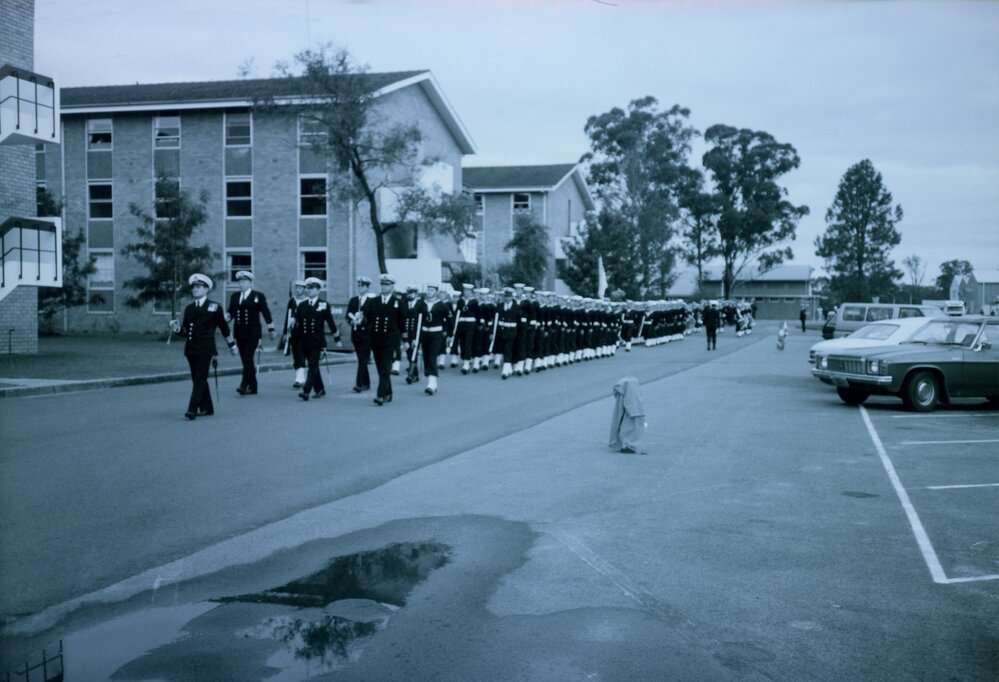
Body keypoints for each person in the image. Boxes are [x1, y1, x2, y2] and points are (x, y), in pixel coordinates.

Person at [170, 273, 237, 420]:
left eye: (199, 287)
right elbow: (186, 332)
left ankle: (192, 408)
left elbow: (224, 328)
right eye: (194, 287)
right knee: (197, 378)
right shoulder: (189, 308)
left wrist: (232, 345)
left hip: (206, 349)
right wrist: (177, 329)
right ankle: (207, 407)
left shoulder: (214, 307)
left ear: (206, 289)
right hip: (191, 349)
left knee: (200, 378)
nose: (195, 290)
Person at [226, 270, 275, 395]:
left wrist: (271, 329)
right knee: (246, 360)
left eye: (243, 282)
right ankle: (253, 387)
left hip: (253, 333)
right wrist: (225, 318)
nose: (241, 284)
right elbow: (231, 312)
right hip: (240, 332)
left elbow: (266, 313)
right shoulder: (235, 296)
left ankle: (244, 385)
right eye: (239, 282)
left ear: (250, 283)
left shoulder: (258, 296)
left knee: (248, 357)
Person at [293, 277, 342, 401]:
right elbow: (297, 325)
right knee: (313, 366)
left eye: (312, 288)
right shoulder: (302, 305)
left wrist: (337, 338)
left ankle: (306, 390)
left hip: (316, 341)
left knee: (313, 366)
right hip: (303, 340)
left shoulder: (323, 304)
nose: (309, 290)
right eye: (308, 288)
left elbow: (330, 322)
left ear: (318, 290)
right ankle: (320, 389)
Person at [361, 274, 406, 405]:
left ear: (392, 286)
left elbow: (402, 323)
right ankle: (388, 392)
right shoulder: (373, 301)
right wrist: (360, 318)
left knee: (386, 368)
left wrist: (406, 340)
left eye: (387, 285)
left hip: (390, 340)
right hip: (376, 340)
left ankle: (380, 395)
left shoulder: (398, 302)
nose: (384, 287)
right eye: (382, 284)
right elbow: (366, 318)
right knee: (381, 369)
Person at [346, 276, 373, 393]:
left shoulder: (371, 301)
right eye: (359, 285)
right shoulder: (353, 300)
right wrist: (352, 320)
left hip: (367, 334)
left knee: (363, 359)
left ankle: (359, 383)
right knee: (361, 358)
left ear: (367, 287)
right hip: (356, 334)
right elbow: (347, 315)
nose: (360, 288)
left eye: (362, 286)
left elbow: (373, 317)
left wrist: (364, 320)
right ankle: (366, 382)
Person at [609, 376, 647, 454]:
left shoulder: (625, 391)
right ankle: (629, 445)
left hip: (629, 411)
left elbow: (619, 412)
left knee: (626, 427)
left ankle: (629, 445)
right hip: (634, 411)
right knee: (630, 427)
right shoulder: (635, 394)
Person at [281, 279, 308, 388]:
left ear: (304, 289)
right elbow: (287, 317)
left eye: (300, 288)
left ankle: (300, 378)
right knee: (296, 354)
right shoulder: (292, 301)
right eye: (296, 288)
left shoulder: (306, 301)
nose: (298, 290)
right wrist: (285, 333)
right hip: (293, 332)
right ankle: (300, 377)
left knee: (301, 354)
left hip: (304, 332)